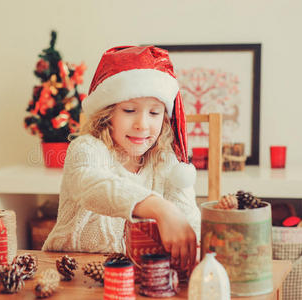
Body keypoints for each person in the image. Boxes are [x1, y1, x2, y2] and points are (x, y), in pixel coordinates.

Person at [43, 45, 200, 268]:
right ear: (108, 114)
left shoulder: (165, 162)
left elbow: (189, 226)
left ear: (164, 119)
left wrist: (188, 233)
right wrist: (159, 207)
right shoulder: (86, 148)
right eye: (129, 110)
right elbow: (92, 185)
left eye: (154, 113)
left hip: (132, 277)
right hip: (68, 271)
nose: (142, 125)